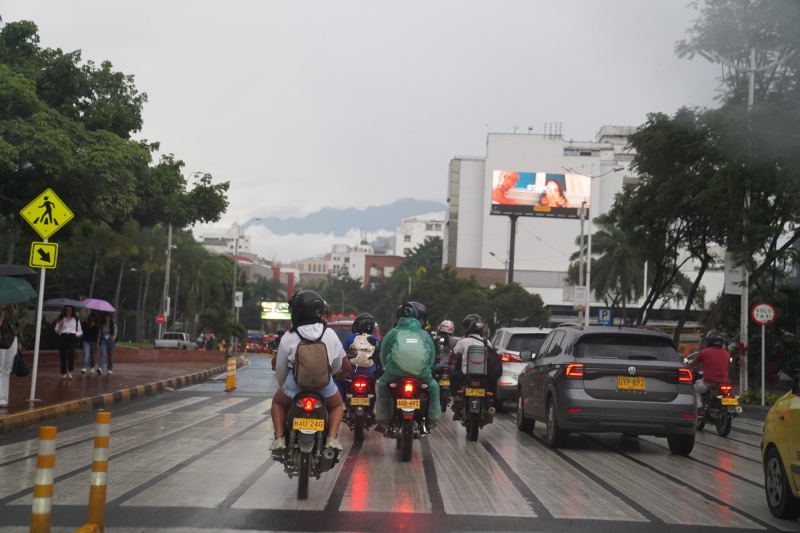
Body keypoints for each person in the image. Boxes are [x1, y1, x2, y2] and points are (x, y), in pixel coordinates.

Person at [270, 290, 350, 455]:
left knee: (277, 403)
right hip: (324, 383)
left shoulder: (289, 335)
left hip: (295, 384)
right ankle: (332, 438)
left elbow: (280, 368)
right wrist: (330, 375)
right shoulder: (329, 334)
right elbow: (337, 364)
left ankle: (279, 439)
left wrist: (284, 386)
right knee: (337, 405)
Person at [375, 302, 440, 431]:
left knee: (381, 385)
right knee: (434, 387)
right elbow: (432, 357)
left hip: (394, 373)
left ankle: (384, 420)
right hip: (422, 374)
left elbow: (383, 353)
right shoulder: (424, 335)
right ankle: (432, 419)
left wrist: (386, 365)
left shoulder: (393, 333)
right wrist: (426, 369)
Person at [451, 314, 493, 420]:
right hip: (483, 375)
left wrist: (450, 361)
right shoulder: (486, 342)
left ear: (467, 329)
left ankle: (457, 400)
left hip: (466, 374)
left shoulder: (463, 341)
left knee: (452, 377)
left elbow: (454, 353)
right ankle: (491, 403)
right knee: (491, 384)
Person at [335, 313, 382, 399]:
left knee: (338, 380)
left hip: (351, 373)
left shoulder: (350, 338)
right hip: (371, 374)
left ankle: (340, 402)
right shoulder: (376, 340)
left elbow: (341, 354)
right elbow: (380, 359)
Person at [687, 329, 730, 415]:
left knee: (694, 389)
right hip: (725, 382)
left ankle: (700, 408)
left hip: (709, 382)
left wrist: (686, 369)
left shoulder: (704, 352)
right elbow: (727, 367)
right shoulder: (726, 354)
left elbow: (691, 365)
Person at [0, 304, 21, 408]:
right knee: (0, 367)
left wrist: (20, 340)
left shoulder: (13, 306)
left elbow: (17, 324)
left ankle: (3, 398)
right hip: (1, 337)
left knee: (7, 369)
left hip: (12, 337)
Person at [55, 305, 82, 379]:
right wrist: (61, 324)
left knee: (71, 354)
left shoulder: (76, 320)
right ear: (65, 310)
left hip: (72, 337)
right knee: (63, 355)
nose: (68, 311)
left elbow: (80, 330)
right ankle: (64, 373)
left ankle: (70, 372)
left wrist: (77, 335)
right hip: (63, 336)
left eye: (70, 310)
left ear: (72, 311)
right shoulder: (61, 319)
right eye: (67, 310)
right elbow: (56, 330)